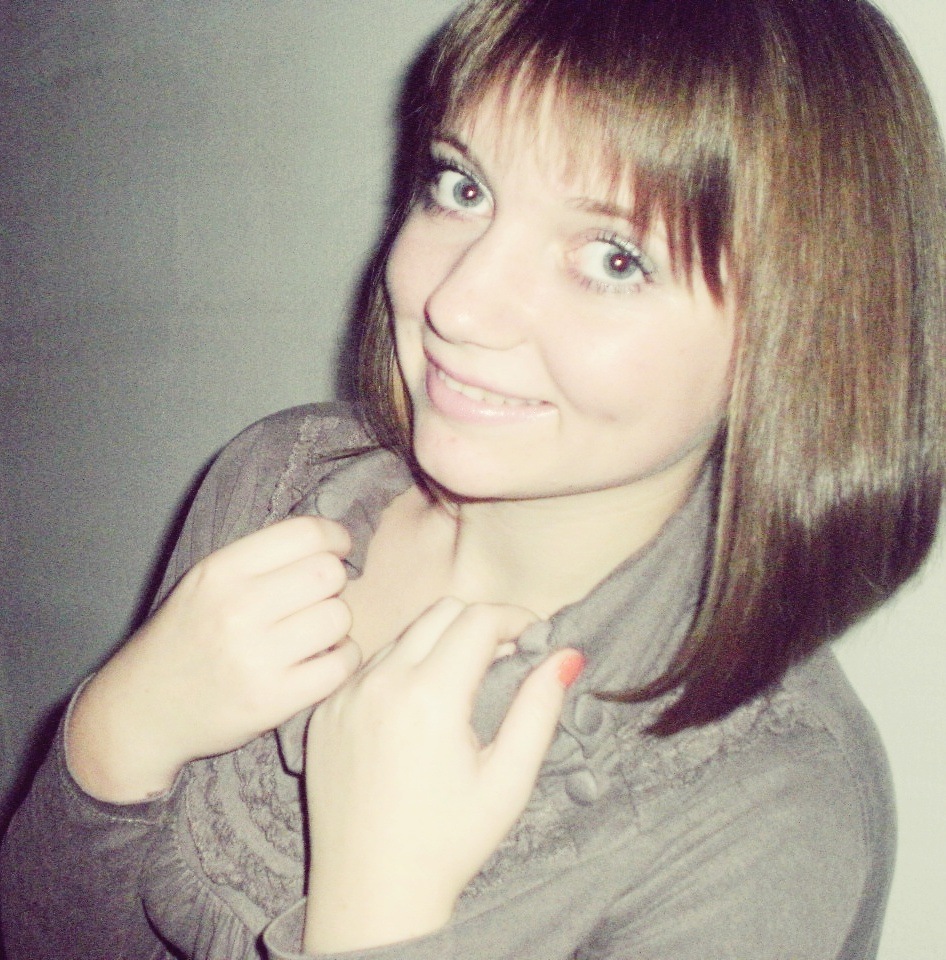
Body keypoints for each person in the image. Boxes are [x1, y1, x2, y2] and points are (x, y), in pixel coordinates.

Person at [2, 0, 944, 957]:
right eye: (462, 189)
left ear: (804, 335)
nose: (459, 303)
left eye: (614, 257)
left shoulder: (769, 813)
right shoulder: (273, 488)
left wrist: (378, 911)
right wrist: (116, 736)